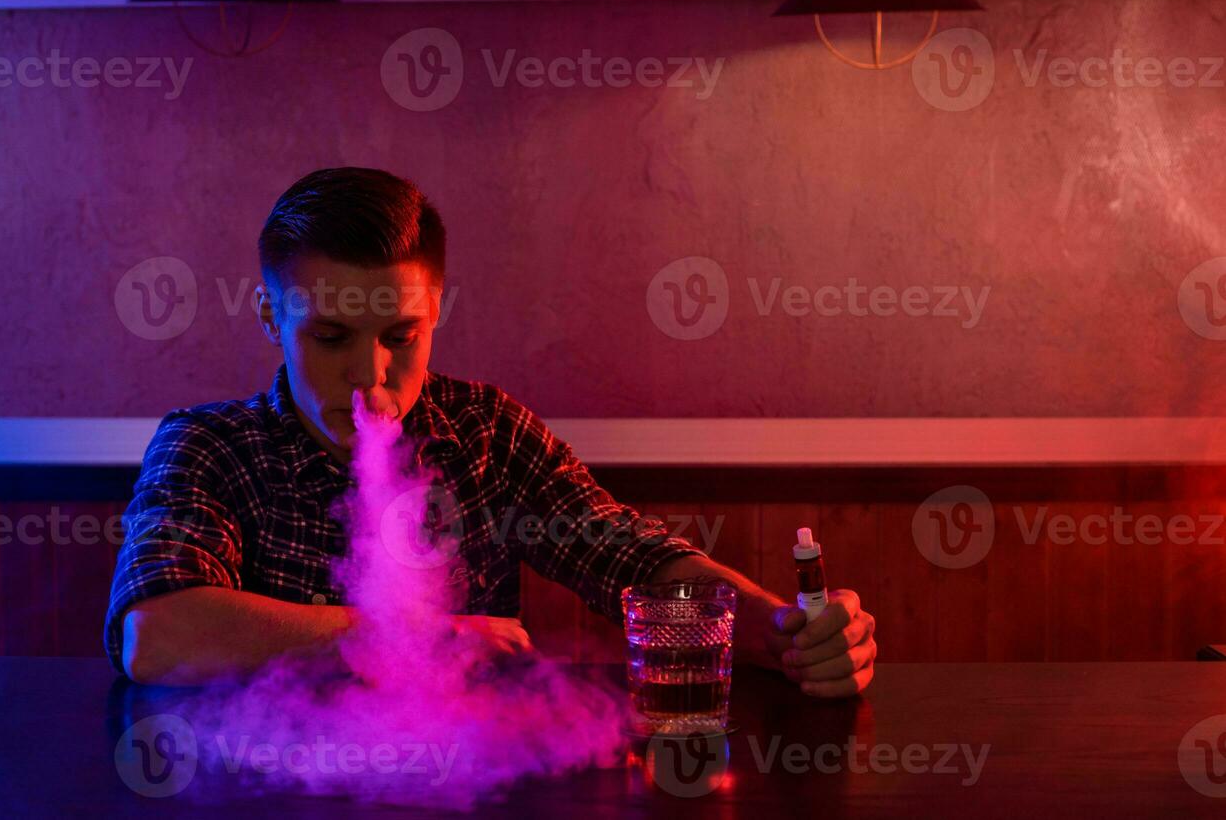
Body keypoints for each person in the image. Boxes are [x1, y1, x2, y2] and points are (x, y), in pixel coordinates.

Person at [105, 167, 877, 695]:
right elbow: (157, 635)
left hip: (465, 788)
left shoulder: (485, 432)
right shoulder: (207, 445)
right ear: (271, 316)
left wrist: (783, 631)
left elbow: (628, 558)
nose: (370, 376)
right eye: (331, 338)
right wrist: (418, 638)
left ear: (437, 312)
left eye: (400, 337)